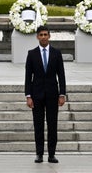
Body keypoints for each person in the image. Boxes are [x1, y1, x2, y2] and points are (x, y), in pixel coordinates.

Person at [25, 25, 66, 164]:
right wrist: (28, 96)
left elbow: (61, 75)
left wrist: (62, 94)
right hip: (36, 95)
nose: (43, 37)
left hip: (52, 94)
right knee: (38, 125)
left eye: (45, 34)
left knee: (52, 125)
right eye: (41, 35)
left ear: (49, 36)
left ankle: (52, 154)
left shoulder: (56, 53)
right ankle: (39, 154)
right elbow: (28, 77)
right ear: (37, 36)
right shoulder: (31, 54)